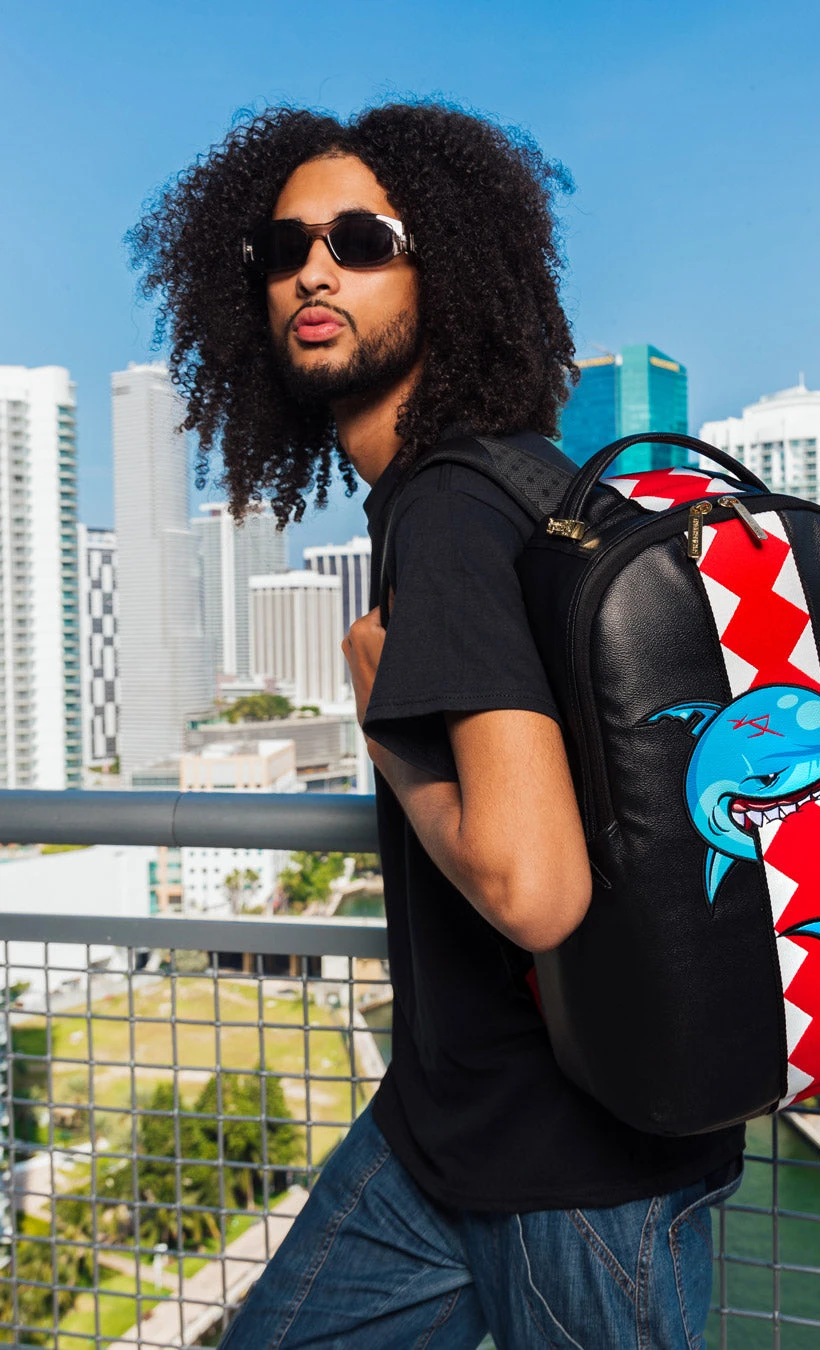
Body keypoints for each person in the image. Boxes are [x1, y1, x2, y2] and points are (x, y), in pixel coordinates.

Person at [132, 101, 745, 1349]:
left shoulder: (452, 511)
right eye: (285, 248)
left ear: (446, 270)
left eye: (362, 240)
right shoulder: (522, 478)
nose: (314, 271)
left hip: (577, 1181)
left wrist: (383, 727)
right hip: (442, 1137)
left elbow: (535, 889)